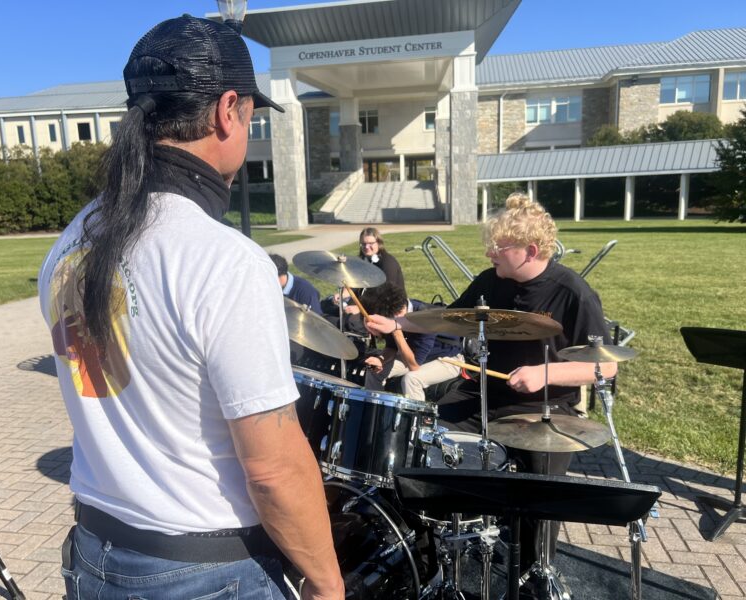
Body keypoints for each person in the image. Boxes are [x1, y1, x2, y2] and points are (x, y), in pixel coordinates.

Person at [38, 15, 343, 600]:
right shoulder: (225, 260)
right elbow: (273, 469)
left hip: (96, 552)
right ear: (229, 109)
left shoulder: (70, 241)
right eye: (251, 117)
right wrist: (328, 583)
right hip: (204, 571)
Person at [366, 193, 615, 578]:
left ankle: (535, 573)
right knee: (424, 443)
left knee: (538, 496)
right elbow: (449, 319)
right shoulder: (491, 281)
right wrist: (397, 324)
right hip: (482, 392)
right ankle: (431, 551)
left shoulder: (572, 293)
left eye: (499, 248)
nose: (490, 255)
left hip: (545, 406)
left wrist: (544, 374)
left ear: (530, 250)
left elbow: (606, 368)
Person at [361, 283, 462, 402]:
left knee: (411, 379)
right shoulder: (390, 314)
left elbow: (414, 366)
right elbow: (391, 348)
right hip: (415, 355)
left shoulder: (425, 318)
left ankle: (416, 418)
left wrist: (396, 330)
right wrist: (381, 360)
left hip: (448, 359)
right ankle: (374, 412)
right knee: (374, 372)